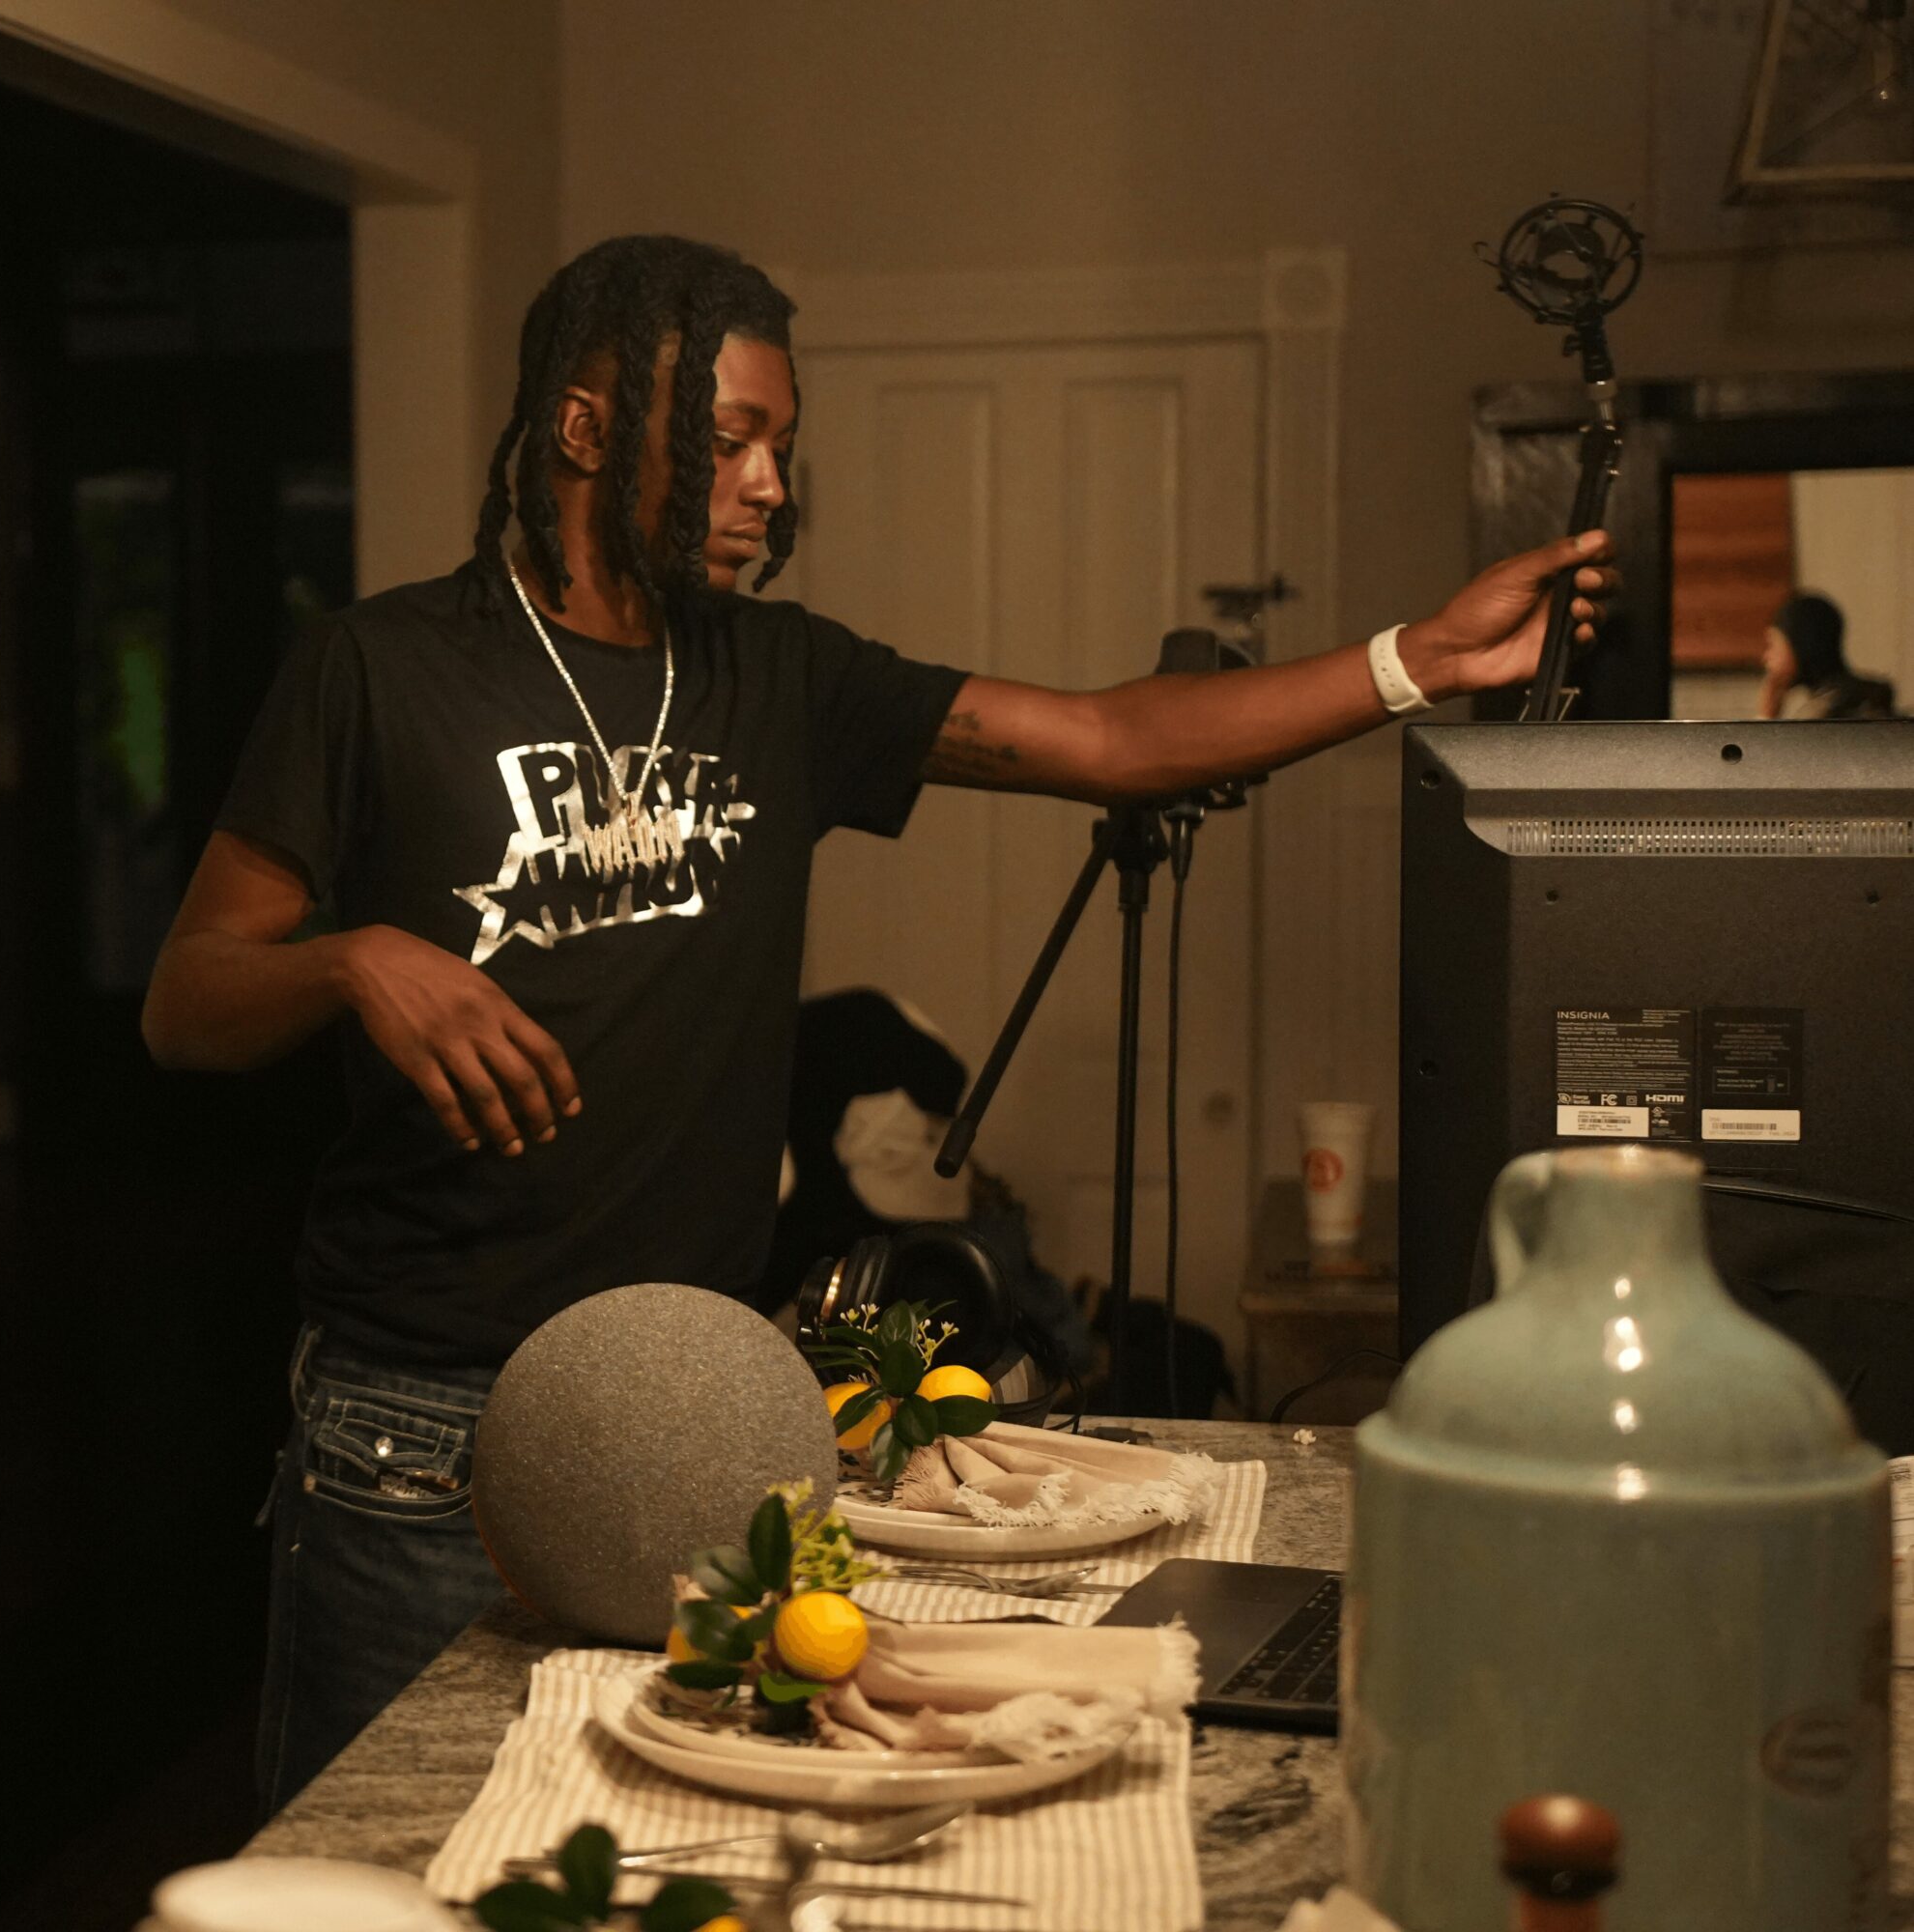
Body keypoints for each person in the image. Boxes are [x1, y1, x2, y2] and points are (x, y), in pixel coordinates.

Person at [139, 234, 1616, 1811]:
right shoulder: (375, 671)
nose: (769, 485)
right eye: (729, 440)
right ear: (580, 427)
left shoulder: (781, 681)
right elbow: (188, 1004)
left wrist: (1418, 662)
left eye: (781, 445)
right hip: (415, 1440)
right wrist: (352, 956)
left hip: (681, 1420)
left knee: (642, 1854)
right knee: (375, 1863)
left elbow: (1111, 737)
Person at [1758, 590, 1896, 721]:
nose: (1766, 657)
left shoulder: (1830, 715)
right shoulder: (1856, 698)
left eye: (1773, 645)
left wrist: (1766, 719)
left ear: (1801, 646)